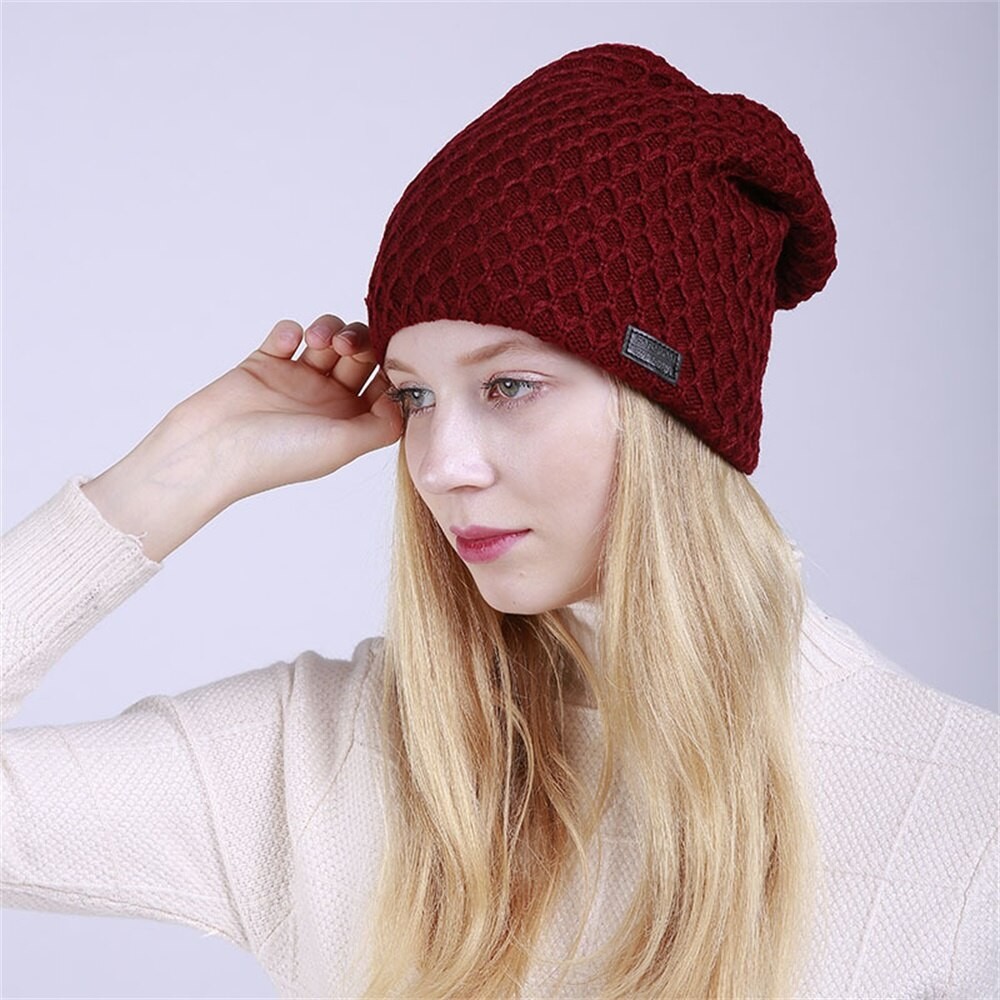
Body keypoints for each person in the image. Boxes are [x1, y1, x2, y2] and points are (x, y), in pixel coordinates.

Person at [2, 42, 996, 999]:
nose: (440, 466)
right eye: (415, 396)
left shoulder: (962, 815)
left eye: (510, 385)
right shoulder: (316, 760)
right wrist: (180, 470)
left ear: (671, 410)